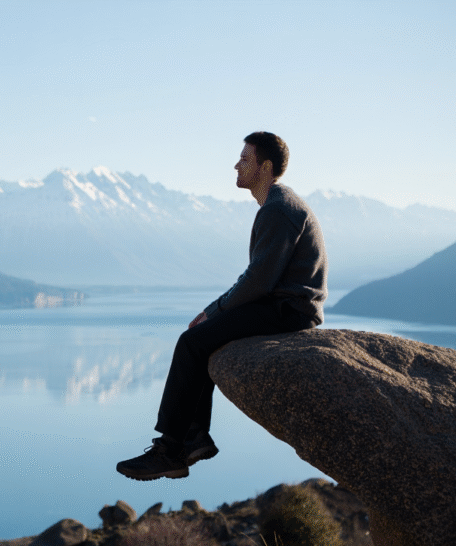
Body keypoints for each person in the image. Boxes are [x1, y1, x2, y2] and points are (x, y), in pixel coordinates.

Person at [117, 131, 328, 481]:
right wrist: (218, 312)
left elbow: (259, 280)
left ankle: (170, 450)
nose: (236, 165)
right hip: (285, 306)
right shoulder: (279, 205)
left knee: (192, 342)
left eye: (245, 159)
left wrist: (214, 310)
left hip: (288, 312)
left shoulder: (279, 209)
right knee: (202, 341)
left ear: (265, 167)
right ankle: (194, 437)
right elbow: (261, 278)